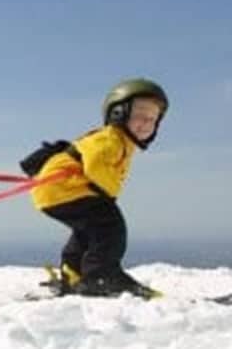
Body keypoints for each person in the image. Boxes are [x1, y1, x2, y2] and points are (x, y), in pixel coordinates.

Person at [24, 78, 168, 298]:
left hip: (55, 192)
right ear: (119, 113)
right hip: (66, 189)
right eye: (140, 115)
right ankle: (101, 276)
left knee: (89, 231)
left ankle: (73, 273)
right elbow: (95, 163)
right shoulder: (111, 138)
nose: (146, 123)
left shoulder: (121, 142)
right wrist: (109, 196)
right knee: (111, 227)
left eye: (152, 119)